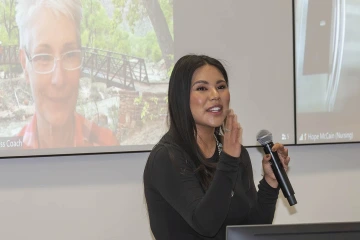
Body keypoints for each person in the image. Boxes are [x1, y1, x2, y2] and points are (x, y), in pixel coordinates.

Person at [143, 55, 291, 239]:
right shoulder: (167, 157)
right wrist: (229, 160)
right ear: (180, 97)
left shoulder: (234, 153)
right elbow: (205, 224)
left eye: (221, 87)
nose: (215, 95)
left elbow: (251, 229)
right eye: (202, 88)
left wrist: (270, 182)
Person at [15, 0, 118, 149]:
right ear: (25, 64)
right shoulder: (7, 160)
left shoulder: (107, 145)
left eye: (70, 55)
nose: (59, 79)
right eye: (43, 57)